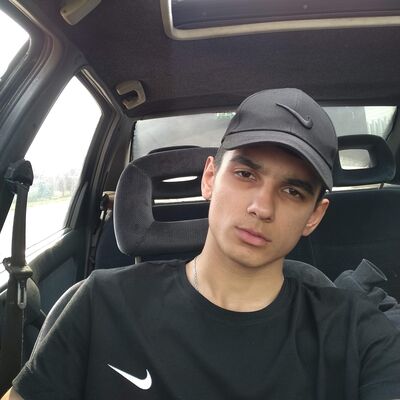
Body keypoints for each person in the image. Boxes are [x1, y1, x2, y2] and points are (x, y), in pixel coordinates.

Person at [3, 88, 400, 399]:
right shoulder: (102, 303)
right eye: (245, 174)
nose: (262, 207)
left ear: (314, 215)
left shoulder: (357, 332)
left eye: (293, 191)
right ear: (210, 178)